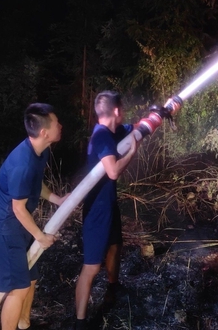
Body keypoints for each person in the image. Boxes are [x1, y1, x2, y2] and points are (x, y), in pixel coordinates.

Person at [0, 103, 68, 330]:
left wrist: (56, 199)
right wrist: (40, 237)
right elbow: (18, 209)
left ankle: (24, 323)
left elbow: (36, 182)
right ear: (44, 132)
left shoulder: (41, 151)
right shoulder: (23, 163)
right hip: (5, 228)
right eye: (56, 123)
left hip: (18, 224)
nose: (60, 126)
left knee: (30, 279)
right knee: (18, 288)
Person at [74, 91, 138, 329]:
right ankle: (79, 323)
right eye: (123, 109)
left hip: (109, 205)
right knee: (91, 266)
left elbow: (136, 127)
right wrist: (131, 153)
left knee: (115, 246)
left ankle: (113, 287)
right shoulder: (101, 137)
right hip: (97, 211)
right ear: (117, 111)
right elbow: (112, 172)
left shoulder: (112, 132)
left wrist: (160, 113)